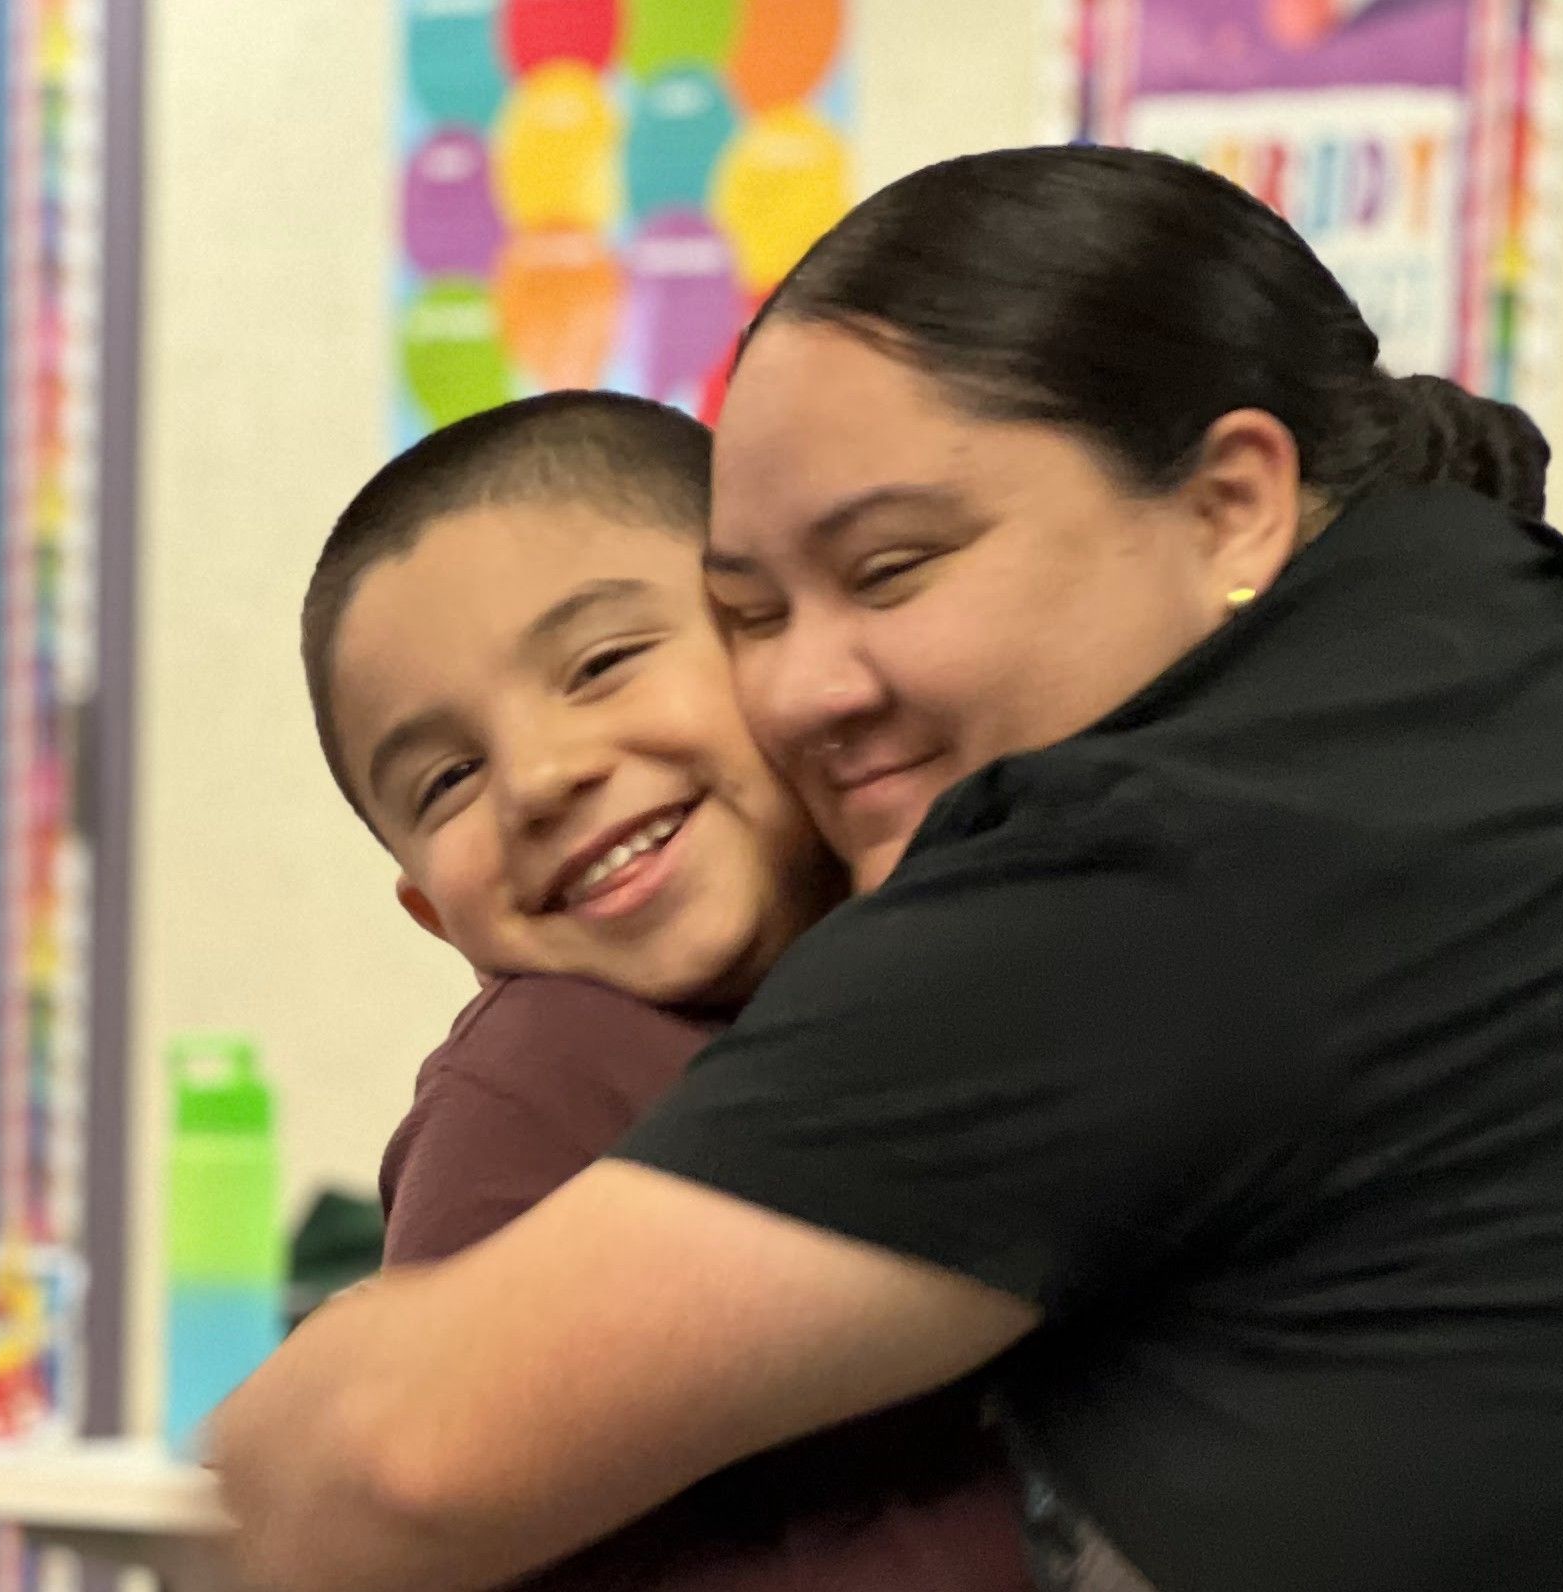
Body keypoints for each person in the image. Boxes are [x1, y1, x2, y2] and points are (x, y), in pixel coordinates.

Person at [207, 144, 1563, 1592]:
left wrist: (308, 1389)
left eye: (892, 568)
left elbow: (386, 1466)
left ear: (1229, 502)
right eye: (755, 613)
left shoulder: (1167, 842)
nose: (806, 689)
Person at [298, 388, 1032, 1589]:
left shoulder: (977, 963)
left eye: (600, 664)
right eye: (447, 779)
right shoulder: (544, 1070)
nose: (540, 776)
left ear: (775, 643)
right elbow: (432, 1521)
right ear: (438, 915)